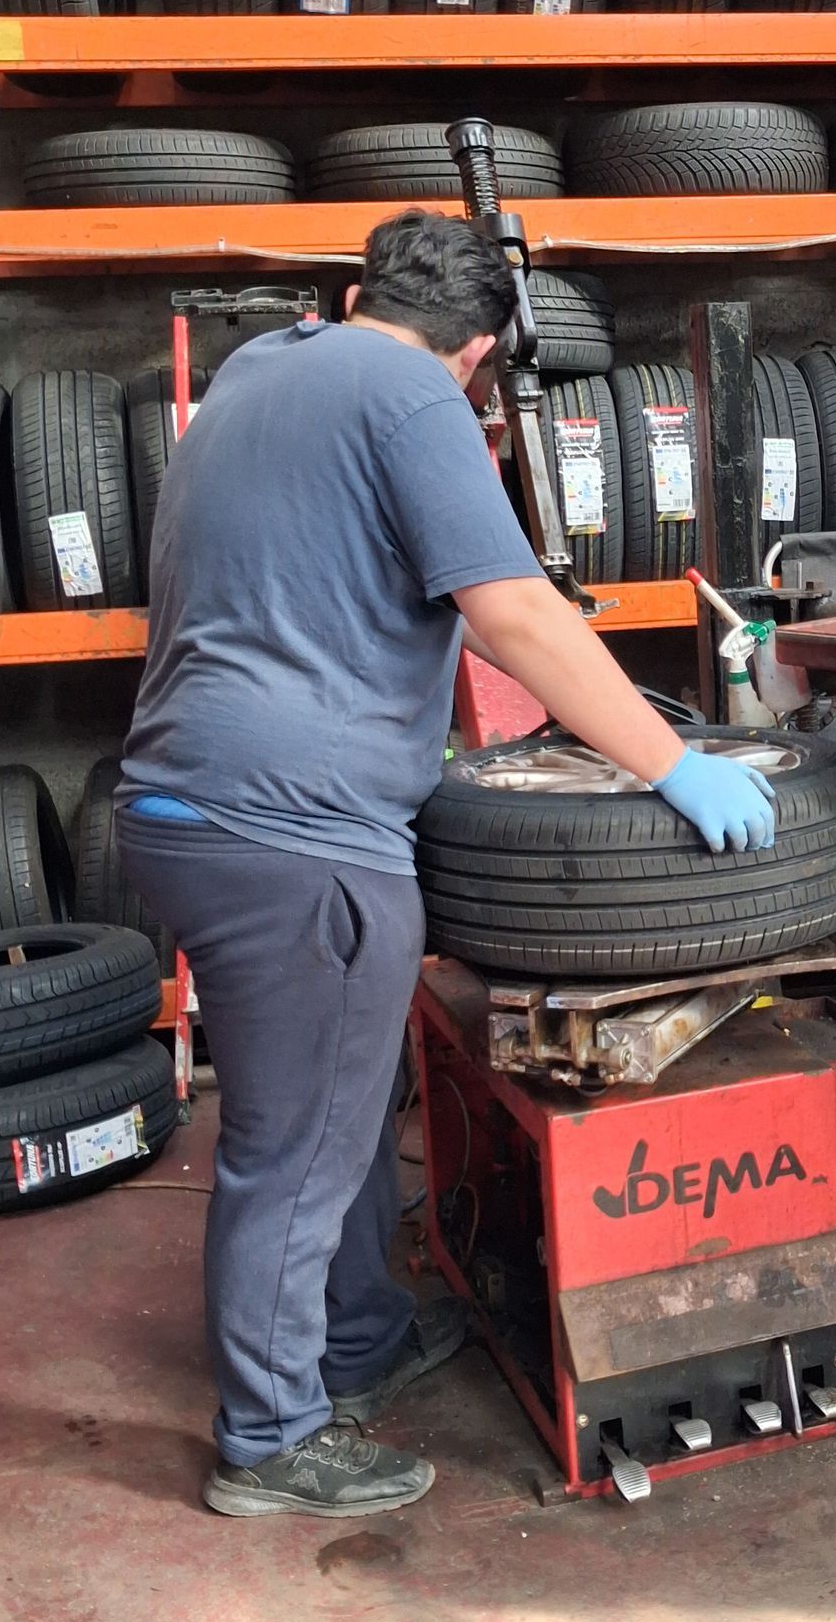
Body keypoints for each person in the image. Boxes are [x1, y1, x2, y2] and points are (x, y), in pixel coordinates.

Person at [117, 210, 777, 1518]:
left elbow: (344, 584)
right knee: (294, 1144)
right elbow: (516, 610)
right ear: (475, 351)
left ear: (362, 290)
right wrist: (669, 763)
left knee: (336, 1108)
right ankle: (270, 1435)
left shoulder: (259, 373)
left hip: (180, 804)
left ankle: (354, 1338)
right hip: (298, 833)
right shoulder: (416, 395)